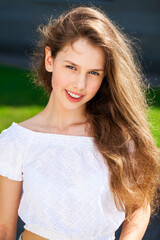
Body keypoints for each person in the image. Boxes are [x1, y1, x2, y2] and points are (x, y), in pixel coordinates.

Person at [0, 5, 159, 240]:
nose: (79, 84)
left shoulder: (119, 136)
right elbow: (4, 230)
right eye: (71, 67)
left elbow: (139, 205)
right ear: (50, 59)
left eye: (93, 72)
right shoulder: (16, 142)